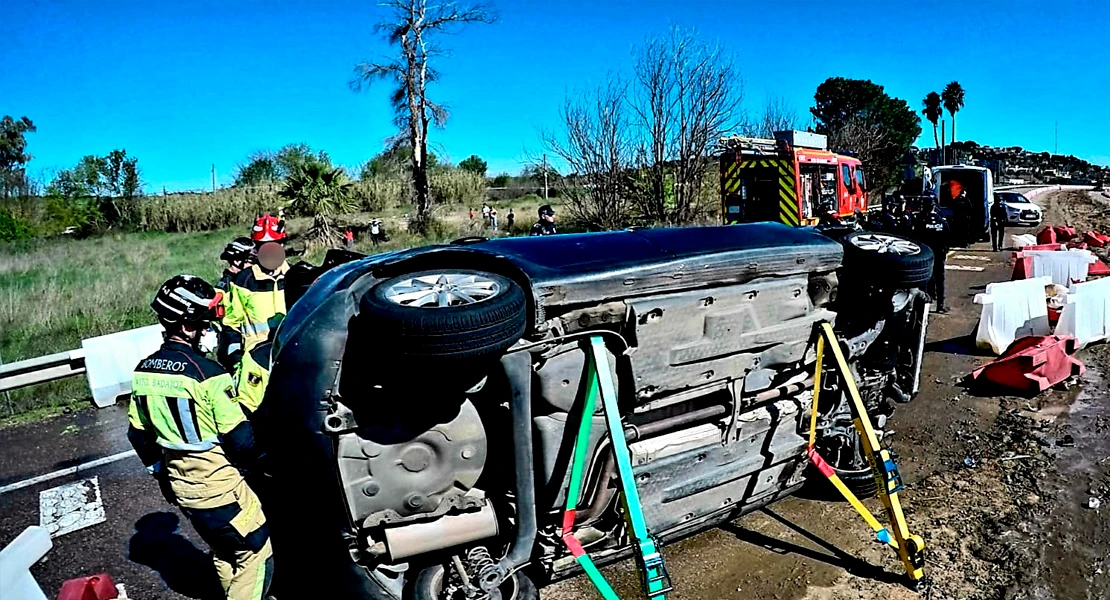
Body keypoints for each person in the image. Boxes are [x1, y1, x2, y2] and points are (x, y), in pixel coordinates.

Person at [128, 275, 272, 600]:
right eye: (205, 324)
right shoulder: (210, 374)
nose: (208, 330)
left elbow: (138, 435)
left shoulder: (143, 371)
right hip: (220, 489)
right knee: (255, 551)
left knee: (225, 550)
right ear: (188, 325)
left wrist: (162, 476)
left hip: (182, 489)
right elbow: (242, 442)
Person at [224, 215, 289, 353]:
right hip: (255, 357)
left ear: (282, 245)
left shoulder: (295, 277)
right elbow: (231, 323)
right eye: (262, 246)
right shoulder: (243, 281)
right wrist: (235, 356)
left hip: (289, 354)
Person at [215, 237, 255, 371]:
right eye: (251, 261)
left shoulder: (248, 283)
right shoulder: (224, 289)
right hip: (234, 350)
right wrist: (236, 359)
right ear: (237, 261)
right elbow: (228, 327)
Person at [912, 196, 952, 314]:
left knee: (924, 280)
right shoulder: (942, 221)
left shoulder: (920, 221)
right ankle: (940, 305)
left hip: (925, 256)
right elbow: (947, 238)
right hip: (939, 255)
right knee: (940, 280)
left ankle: (923, 307)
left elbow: (916, 238)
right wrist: (945, 251)